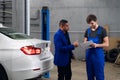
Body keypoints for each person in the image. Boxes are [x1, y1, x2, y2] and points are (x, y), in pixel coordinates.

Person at [84, 14, 109, 80]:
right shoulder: (87, 31)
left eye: (92, 23)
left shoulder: (102, 30)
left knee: (99, 75)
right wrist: (86, 44)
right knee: (90, 75)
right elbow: (85, 42)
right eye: (89, 24)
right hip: (89, 56)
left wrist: (96, 45)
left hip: (98, 56)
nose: (90, 25)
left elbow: (107, 44)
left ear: (96, 21)